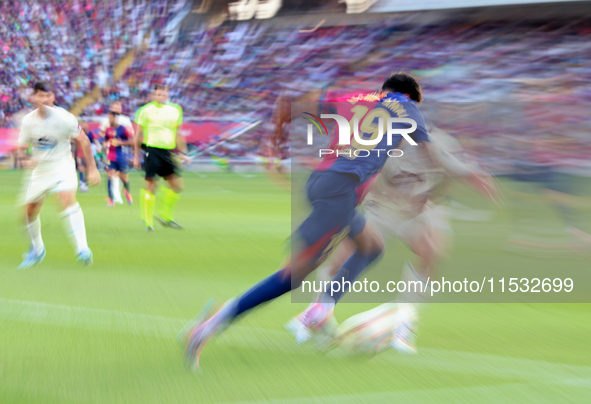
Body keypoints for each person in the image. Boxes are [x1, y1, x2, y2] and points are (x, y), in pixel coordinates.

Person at [183, 73, 437, 368]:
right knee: (290, 276)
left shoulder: (353, 98)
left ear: (382, 90)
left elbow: (288, 105)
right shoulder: (408, 107)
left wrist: (274, 149)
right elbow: (430, 155)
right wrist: (426, 189)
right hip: (339, 192)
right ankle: (210, 325)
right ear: (410, 95)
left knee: (372, 246)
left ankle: (321, 307)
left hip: (327, 185)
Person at [287, 125, 500, 353]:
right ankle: (317, 315)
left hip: (418, 207)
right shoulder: (376, 143)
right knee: (341, 260)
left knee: (431, 252)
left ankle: (404, 324)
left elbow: (450, 175)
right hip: (382, 207)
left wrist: (432, 198)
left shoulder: (439, 143)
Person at [16, 82, 100, 269]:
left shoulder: (65, 118)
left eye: (47, 96)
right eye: (40, 96)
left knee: (66, 198)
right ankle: (37, 250)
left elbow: (84, 141)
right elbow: (21, 147)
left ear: (53, 97)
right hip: (39, 170)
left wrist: (92, 169)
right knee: (29, 212)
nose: (44, 100)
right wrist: (25, 160)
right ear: (34, 98)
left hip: (62, 165)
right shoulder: (28, 120)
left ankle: (82, 248)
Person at [133, 84, 188, 231]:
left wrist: (184, 152)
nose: (160, 97)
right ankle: (147, 220)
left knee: (177, 186)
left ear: (168, 95)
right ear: (153, 95)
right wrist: (136, 156)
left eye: (163, 94)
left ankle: (166, 217)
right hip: (152, 150)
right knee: (152, 185)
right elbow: (138, 135)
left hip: (168, 152)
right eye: (157, 94)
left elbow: (179, 133)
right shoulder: (145, 111)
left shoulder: (175, 110)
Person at [100, 101, 135, 204]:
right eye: (113, 107)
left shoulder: (125, 120)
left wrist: (122, 143)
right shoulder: (106, 120)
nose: (115, 109)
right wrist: (106, 143)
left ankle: (122, 193)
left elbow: (131, 135)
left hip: (122, 152)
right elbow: (103, 133)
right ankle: (115, 197)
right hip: (110, 152)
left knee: (121, 176)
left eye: (117, 107)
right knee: (111, 174)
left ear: (120, 109)